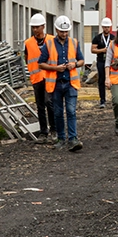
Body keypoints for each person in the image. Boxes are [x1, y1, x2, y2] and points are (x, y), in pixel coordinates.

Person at [38, 15, 84, 151]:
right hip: (56, 84)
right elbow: (40, 63)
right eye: (62, 31)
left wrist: (74, 64)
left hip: (70, 83)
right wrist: (55, 68)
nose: (64, 34)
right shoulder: (49, 44)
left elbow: (81, 60)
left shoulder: (74, 43)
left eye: (66, 31)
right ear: (56, 30)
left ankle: (73, 139)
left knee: (71, 111)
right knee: (58, 112)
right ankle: (61, 138)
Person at [25, 13, 56, 144]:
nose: (35, 30)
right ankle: (44, 132)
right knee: (40, 106)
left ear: (43, 26)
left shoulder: (52, 40)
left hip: (49, 77)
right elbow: (27, 59)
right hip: (37, 78)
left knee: (50, 103)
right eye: (33, 27)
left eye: (37, 27)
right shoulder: (28, 43)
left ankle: (54, 130)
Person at [91, 17, 114, 109]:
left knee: (113, 80)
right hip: (101, 61)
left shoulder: (113, 38)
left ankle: (114, 99)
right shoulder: (97, 38)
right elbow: (92, 50)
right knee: (101, 80)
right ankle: (102, 100)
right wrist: (102, 50)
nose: (106, 29)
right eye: (105, 27)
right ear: (102, 27)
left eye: (108, 27)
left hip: (111, 63)